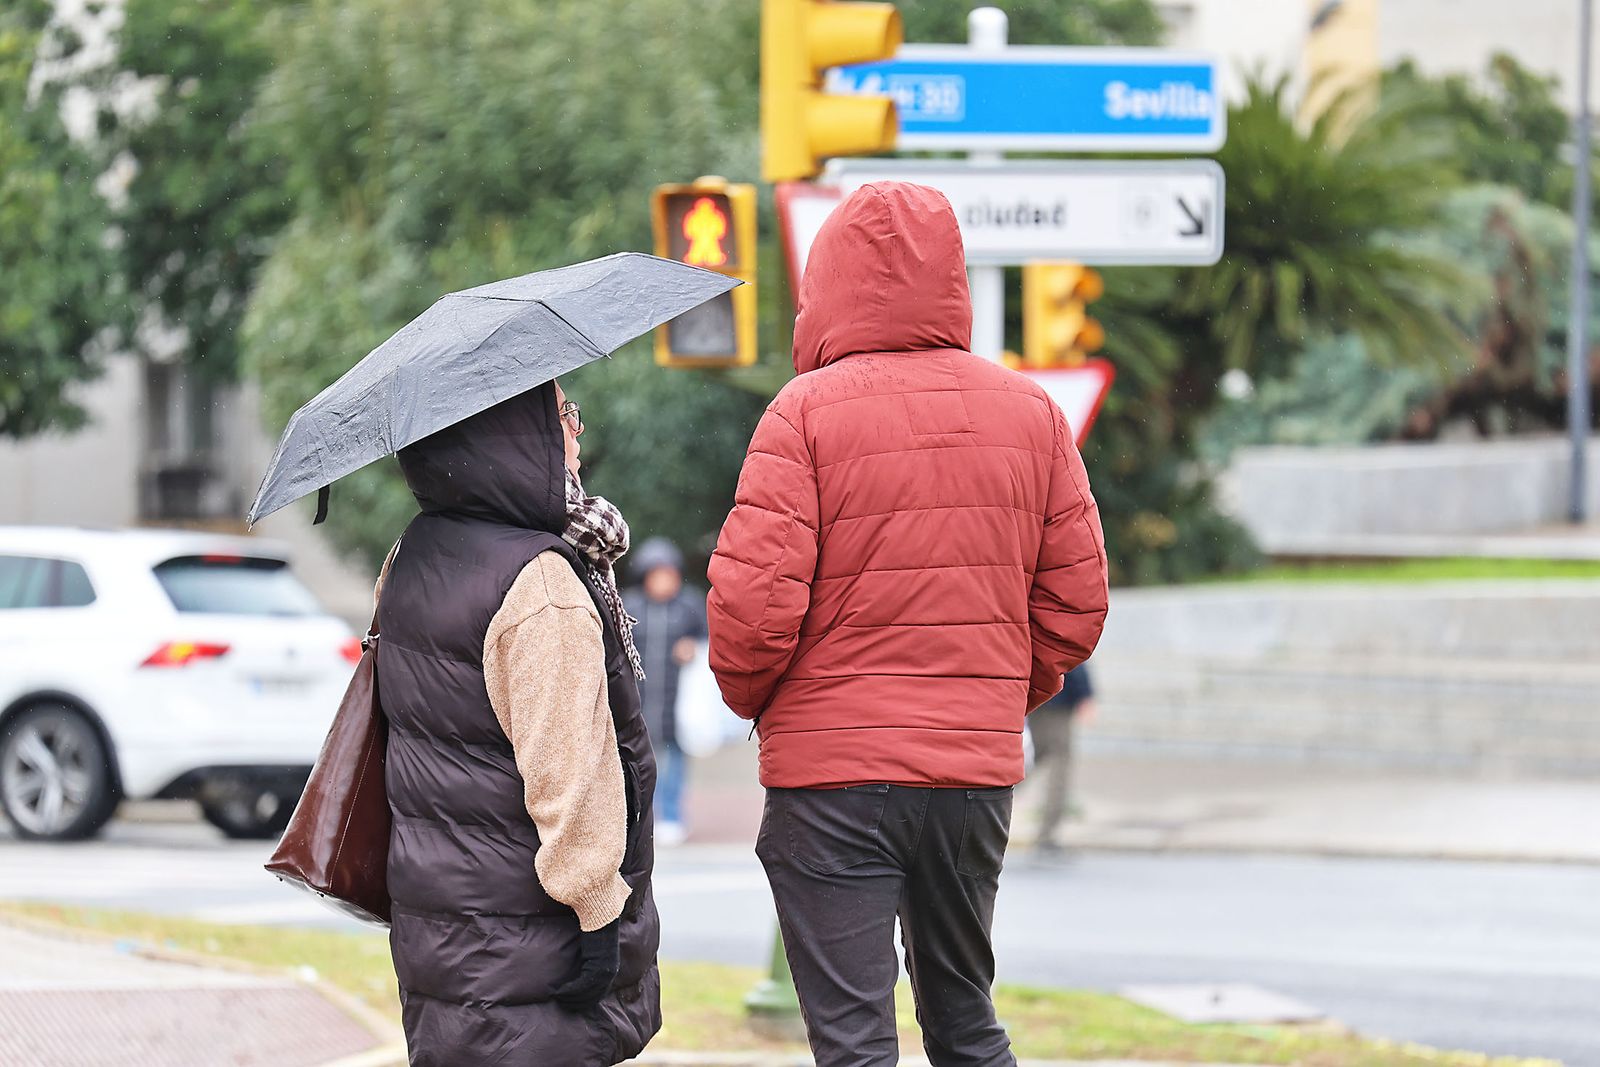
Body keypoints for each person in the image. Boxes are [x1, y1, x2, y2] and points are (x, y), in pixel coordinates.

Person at [707, 182, 1109, 1067]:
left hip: (834, 782)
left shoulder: (803, 414)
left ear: (827, 285)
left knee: (854, 1043)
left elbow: (749, 614)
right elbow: (1076, 603)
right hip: (971, 780)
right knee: (966, 1021)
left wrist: (778, 707)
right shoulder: (1032, 414)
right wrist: (990, 693)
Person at [373, 380, 660, 1065]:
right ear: (511, 433)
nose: (576, 432)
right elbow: (570, 763)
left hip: (440, 927)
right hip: (531, 943)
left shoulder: (412, 554)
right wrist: (597, 908)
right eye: (561, 414)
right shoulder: (539, 582)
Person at [624, 537, 707, 845]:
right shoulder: (630, 606)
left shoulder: (690, 605)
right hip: (639, 703)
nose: (663, 581)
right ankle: (639, 820)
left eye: (669, 574)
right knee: (638, 764)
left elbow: (709, 642)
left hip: (678, 704)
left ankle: (672, 816)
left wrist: (694, 648)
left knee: (674, 762)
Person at [1032, 663, 1097, 853]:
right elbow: (1069, 651)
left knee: (1024, 764)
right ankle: (1047, 835)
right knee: (1059, 768)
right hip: (1056, 704)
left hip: (1035, 699)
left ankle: (981, 819)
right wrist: (1085, 693)